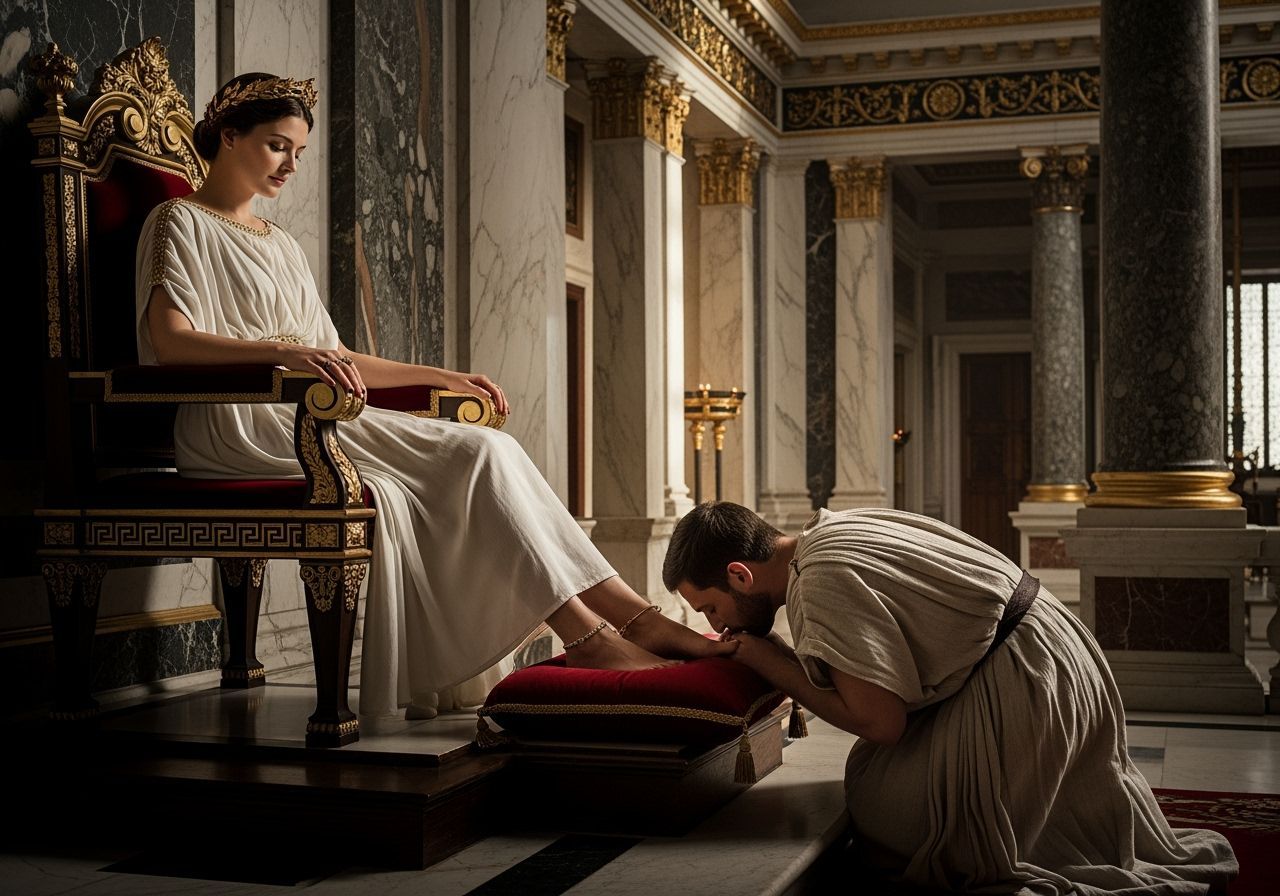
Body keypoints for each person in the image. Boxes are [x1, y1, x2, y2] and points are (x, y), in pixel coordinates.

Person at [136, 72, 729, 719]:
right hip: (239, 420)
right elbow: (170, 343)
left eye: (300, 152)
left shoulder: (279, 244)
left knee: (486, 452)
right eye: (279, 146)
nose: (292, 165)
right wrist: (282, 353)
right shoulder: (177, 222)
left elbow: (335, 355)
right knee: (479, 456)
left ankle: (624, 619)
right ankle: (597, 632)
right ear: (229, 135)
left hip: (307, 412)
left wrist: (440, 375)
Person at [663, 502, 1238, 894]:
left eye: (711, 609)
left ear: (740, 575)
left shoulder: (820, 582)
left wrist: (768, 662)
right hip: (1057, 653)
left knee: (884, 810)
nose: (717, 626)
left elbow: (881, 722)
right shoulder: (830, 532)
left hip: (1026, 683)